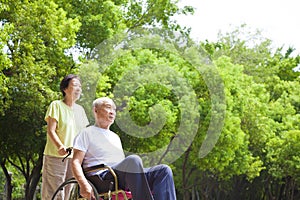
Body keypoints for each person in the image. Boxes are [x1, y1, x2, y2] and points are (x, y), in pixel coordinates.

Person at [72, 97, 177, 200]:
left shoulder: (115, 137)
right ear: (95, 110)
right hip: (102, 178)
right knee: (133, 160)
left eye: (114, 109)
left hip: (120, 175)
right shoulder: (86, 133)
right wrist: (83, 184)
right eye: (108, 107)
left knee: (163, 170)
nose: (112, 112)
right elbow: (75, 162)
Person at [41, 74, 89, 200]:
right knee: (54, 193)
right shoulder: (56, 105)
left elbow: (83, 136)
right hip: (55, 156)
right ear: (65, 89)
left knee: (67, 193)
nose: (78, 89)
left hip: (74, 159)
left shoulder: (81, 111)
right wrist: (60, 146)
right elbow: (51, 131)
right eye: (74, 85)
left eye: (80, 86)